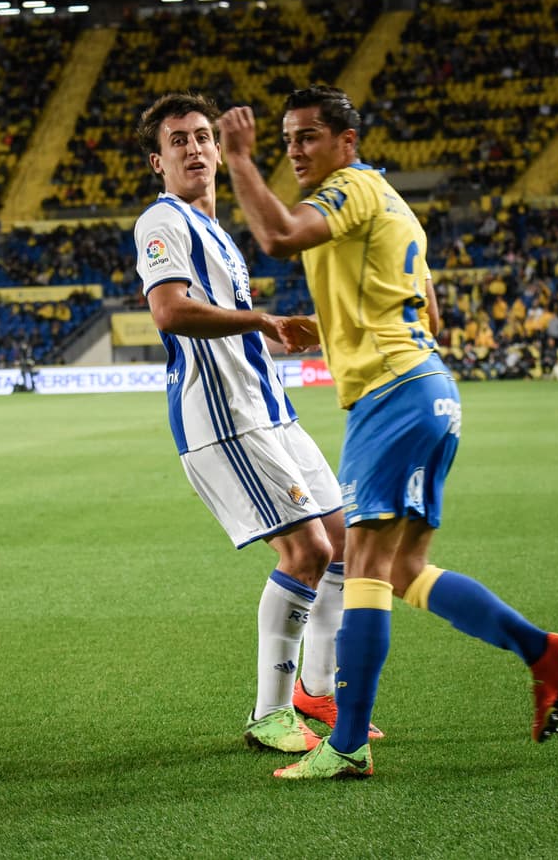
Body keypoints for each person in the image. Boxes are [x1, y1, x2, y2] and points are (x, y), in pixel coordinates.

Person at [219, 85, 558, 780]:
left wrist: (241, 158)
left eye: (308, 137)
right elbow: (427, 312)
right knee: (404, 570)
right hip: (428, 390)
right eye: (286, 139)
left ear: (346, 143)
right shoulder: (394, 205)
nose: (294, 150)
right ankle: (542, 650)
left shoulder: (348, 189)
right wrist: (325, 329)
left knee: (359, 569)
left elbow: (276, 237)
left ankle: (348, 746)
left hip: (392, 397)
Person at [133, 92, 380, 755]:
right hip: (225, 417)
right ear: (158, 160)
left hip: (271, 412)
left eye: (204, 136)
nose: (195, 147)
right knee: (306, 553)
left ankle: (316, 690)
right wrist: (259, 320)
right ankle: (269, 713)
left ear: (219, 149)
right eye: (179, 140)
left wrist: (270, 335)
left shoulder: (216, 232)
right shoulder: (162, 221)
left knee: (344, 547)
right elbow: (170, 311)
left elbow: (223, 323)